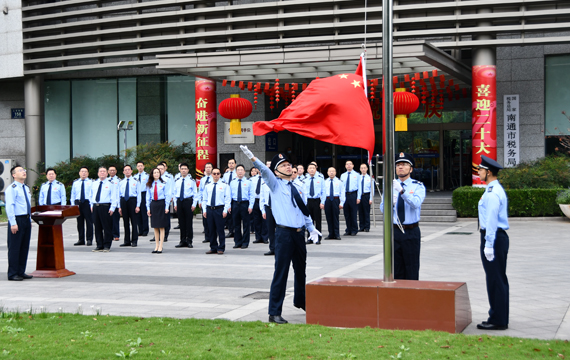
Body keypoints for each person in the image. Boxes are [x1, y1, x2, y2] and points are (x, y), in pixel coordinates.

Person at [241, 145, 321, 324]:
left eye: (288, 164)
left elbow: (303, 210)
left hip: (299, 234)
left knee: (301, 271)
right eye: (283, 165)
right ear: (276, 171)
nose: (288, 166)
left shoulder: (298, 186)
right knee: (281, 273)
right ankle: (274, 312)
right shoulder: (275, 184)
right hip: (284, 234)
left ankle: (301, 301)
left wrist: (311, 228)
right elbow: (264, 169)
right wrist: (252, 157)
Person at [380, 152, 426, 280]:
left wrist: (402, 191)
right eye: (398, 165)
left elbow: (415, 203)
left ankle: (411, 297)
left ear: (410, 169)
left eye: (404, 164)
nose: (400, 167)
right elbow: (383, 208)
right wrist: (390, 203)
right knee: (396, 268)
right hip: (394, 231)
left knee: (411, 268)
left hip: (410, 231)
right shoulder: (389, 186)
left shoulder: (418, 186)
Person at [476, 155, 510, 331]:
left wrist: (488, 243)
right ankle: (499, 315)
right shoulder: (493, 189)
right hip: (496, 237)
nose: (478, 172)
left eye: (480, 170)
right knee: (497, 278)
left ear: (488, 172)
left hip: (494, 238)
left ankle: (498, 319)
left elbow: (491, 220)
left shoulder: (492, 193)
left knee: (495, 279)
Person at [5, 165, 33, 281]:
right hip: (17, 220)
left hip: (26, 219)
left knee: (24, 246)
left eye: (24, 170)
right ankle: (12, 273)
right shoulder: (12, 188)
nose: (23, 172)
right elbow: (10, 206)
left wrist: (29, 219)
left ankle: (21, 271)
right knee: (15, 247)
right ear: (14, 175)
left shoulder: (26, 188)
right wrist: (13, 223)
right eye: (20, 171)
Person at [201, 168, 231, 255]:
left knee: (220, 229)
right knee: (211, 229)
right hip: (210, 209)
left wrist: (225, 210)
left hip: (219, 209)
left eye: (218, 173)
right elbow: (205, 199)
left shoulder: (225, 185)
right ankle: (213, 247)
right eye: (214, 173)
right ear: (211, 175)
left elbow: (227, 199)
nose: (216, 175)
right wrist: (204, 210)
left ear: (220, 174)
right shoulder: (207, 185)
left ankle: (221, 247)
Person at [90, 166, 119, 252]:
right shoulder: (94, 183)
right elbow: (91, 195)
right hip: (96, 206)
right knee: (97, 227)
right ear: (98, 173)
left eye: (104, 171)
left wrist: (113, 207)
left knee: (107, 227)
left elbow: (114, 196)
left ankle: (107, 245)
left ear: (107, 173)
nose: (102, 173)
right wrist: (91, 205)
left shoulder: (111, 183)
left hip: (106, 207)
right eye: (100, 171)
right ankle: (99, 245)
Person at [146, 168, 171, 254]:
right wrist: (148, 208)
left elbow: (167, 195)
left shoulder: (164, 183)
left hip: (161, 204)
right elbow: (148, 197)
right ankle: (156, 245)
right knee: (155, 226)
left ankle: (161, 245)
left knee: (161, 226)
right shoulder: (150, 184)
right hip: (154, 204)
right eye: (154, 172)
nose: (156, 174)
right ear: (152, 174)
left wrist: (167, 207)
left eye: (158, 172)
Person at [229, 164, 254, 249]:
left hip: (245, 204)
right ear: (236, 172)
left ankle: (245, 242)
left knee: (246, 224)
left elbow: (252, 195)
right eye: (238, 170)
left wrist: (251, 206)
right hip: (235, 204)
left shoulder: (248, 182)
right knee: (236, 224)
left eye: (241, 170)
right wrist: (229, 205)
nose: (240, 171)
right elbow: (229, 195)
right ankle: (237, 242)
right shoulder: (232, 182)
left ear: (244, 172)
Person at [173, 163, 198, 249]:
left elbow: (195, 193)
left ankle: (189, 241)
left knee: (188, 223)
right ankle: (182, 240)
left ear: (188, 170)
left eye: (185, 169)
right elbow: (174, 193)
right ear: (180, 170)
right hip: (180, 202)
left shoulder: (191, 181)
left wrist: (194, 204)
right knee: (181, 222)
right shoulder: (177, 181)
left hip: (188, 202)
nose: (183, 170)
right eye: (182, 168)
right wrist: (175, 204)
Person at [118, 165, 141, 247]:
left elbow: (139, 194)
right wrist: (119, 206)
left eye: (128, 170)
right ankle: (127, 240)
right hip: (124, 201)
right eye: (125, 170)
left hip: (132, 201)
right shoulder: (121, 182)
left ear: (131, 171)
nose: (127, 171)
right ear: (123, 172)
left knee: (134, 222)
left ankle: (134, 240)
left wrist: (138, 205)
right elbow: (119, 195)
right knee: (125, 222)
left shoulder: (136, 181)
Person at [70, 167, 94, 246]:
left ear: (88, 173)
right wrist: (73, 205)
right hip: (78, 203)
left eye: (85, 172)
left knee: (89, 222)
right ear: (79, 173)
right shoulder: (76, 182)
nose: (83, 173)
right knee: (79, 222)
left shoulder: (91, 182)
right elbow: (73, 194)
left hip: (87, 203)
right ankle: (81, 239)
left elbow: (93, 194)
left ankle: (89, 239)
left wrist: (92, 204)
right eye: (82, 171)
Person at [304, 163, 325, 244]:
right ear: (307, 170)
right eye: (310, 168)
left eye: (313, 168)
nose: (312, 170)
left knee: (318, 220)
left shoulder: (320, 179)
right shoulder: (305, 180)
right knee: (309, 220)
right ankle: (310, 237)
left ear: (316, 169)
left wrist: (322, 202)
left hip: (317, 201)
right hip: (308, 201)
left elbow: (323, 191)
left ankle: (318, 238)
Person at [324, 167, 345, 240]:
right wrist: (322, 202)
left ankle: (337, 234)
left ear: (335, 172)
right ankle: (330, 234)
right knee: (328, 217)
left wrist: (342, 203)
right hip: (327, 200)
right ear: (327, 172)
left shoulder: (339, 182)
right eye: (330, 171)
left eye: (333, 171)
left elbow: (342, 192)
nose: (331, 173)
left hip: (336, 200)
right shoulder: (325, 182)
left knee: (335, 218)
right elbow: (322, 193)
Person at [340, 160, 360, 236]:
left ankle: (354, 229)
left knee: (353, 213)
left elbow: (359, 187)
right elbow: (341, 187)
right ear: (345, 166)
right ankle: (348, 229)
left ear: (353, 165)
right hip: (345, 195)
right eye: (347, 164)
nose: (348, 165)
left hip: (353, 194)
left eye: (350, 164)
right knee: (346, 213)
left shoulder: (357, 175)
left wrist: (358, 197)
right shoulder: (343, 175)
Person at [155, 163, 173, 243]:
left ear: (165, 169)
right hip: (156, 201)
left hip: (165, 200)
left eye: (162, 168)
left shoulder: (168, 177)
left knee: (165, 217)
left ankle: (165, 235)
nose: (160, 170)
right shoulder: (154, 178)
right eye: (158, 169)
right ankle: (157, 235)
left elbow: (172, 187)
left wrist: (171, 197)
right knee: (156, 218)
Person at [198, 163, 214, 244]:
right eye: (206, 167)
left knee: (213, 221)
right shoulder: (203, 179)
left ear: (212, 168)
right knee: (205, 220)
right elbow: (200, 191)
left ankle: (213, 237)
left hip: (213, 202)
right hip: (205, 202)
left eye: (209, 167)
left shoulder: (214, 178)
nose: (208, 169)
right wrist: (199, 201)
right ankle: (207, 237)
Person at [357, 163, 375, 232]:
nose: (363, 169)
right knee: (360, 212)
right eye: (362, 168)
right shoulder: (358, 178)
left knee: (366, 212)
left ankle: (367, 227)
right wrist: (358, 197)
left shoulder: (370, 178)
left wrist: (371, 198)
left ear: (367, 169)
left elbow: (372, 189)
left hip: (366, 196)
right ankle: (361, 227)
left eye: (364, 168)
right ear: (360, 169)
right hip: (360, 196)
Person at [249, 167, 264, 244]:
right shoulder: (253, 179)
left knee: (264, 220)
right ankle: (258, 237)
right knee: (256, 220)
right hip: (255, 200)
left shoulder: (266, 179)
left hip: (263, 201)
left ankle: (265, 237)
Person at [222, 159, 237, 237]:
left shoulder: (237, 173)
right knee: (229, 215)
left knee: (235, 215)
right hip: (227, 196)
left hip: (235, 197)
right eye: (229, 163)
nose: (231, 164)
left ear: (235, 164)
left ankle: (236, 231)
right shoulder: (226, 174)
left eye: (232, 163)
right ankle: (231, 231)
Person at [135, 161, 150, 236]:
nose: (140, 167)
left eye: (141, 166)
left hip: (144, 194)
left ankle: (145, 230)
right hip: (137, 195)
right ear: (136, 167)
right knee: (138, 213)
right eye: (138, 166)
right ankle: (140, 230)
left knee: (144, 213)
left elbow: (148, 186)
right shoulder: (135, 177)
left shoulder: (147, 176)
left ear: (144, 166)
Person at [108, 165, 121, 242]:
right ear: (108, 172)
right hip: (108, 202)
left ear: (116, 171)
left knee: (115, 220)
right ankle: (109, 235)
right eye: (110, 170)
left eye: (113, 170)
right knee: (108, 220)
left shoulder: (119, 180)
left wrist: (119, 205)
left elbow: (119, 193)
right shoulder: (106, 180)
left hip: (115, 202)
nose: (112, 172)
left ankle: (116, 235)